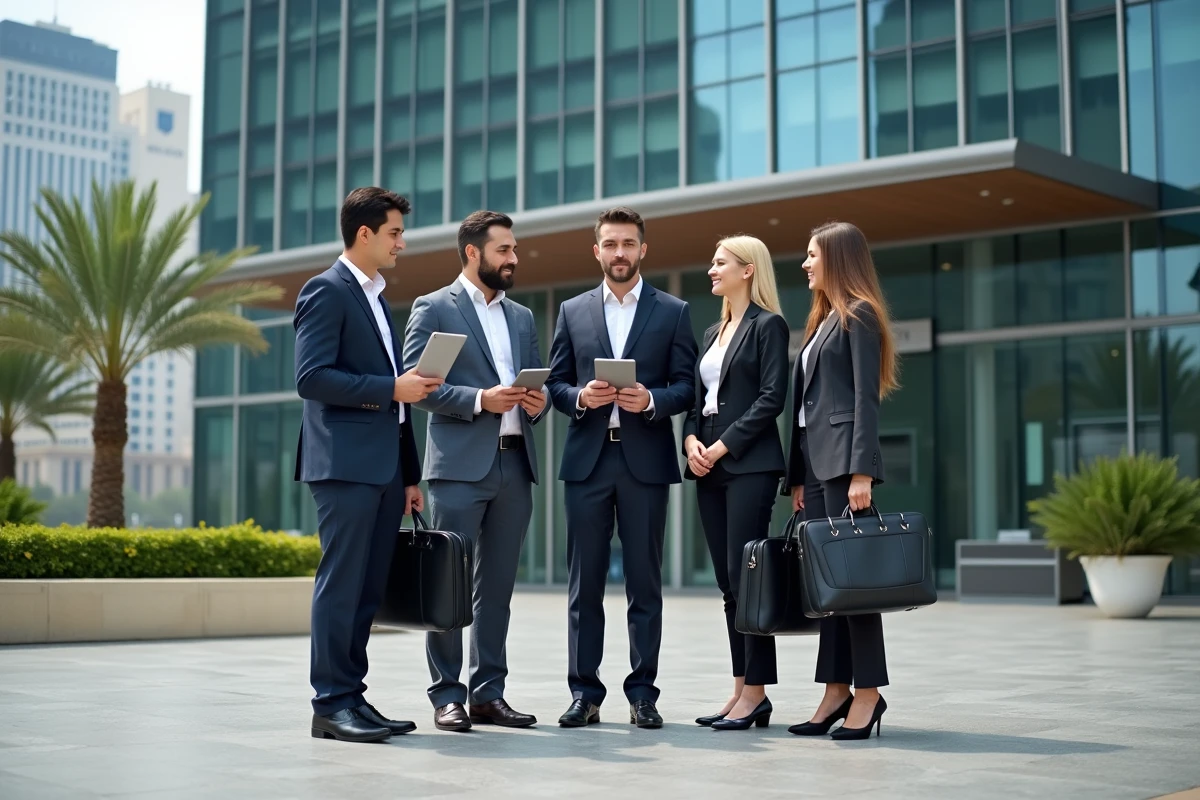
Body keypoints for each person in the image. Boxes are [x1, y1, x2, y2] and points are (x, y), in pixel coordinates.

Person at [294, 187, 444, 743]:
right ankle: (330, 704)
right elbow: (311, 378)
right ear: (365, 234)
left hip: (382, 470)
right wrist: (391, 386)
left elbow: (397, 403)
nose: (401, 242)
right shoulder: (326, 291)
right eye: (395, 233)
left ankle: (352, 698)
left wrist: (409, 475)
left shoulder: (377, 298)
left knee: (365, 590)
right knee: (342, 585)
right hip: (343, 465)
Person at [546, 206, 698, 729]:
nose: (619, 253)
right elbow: (555, 384)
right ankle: (584, 693)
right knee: (583, 586)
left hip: (645, 464)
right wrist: (580, 397)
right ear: (597, 250)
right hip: (588, 463)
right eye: (610, 244)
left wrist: (652, 400)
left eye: (628, 244)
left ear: (642, 250)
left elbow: (687, 386)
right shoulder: (571, 310)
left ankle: (642, 694)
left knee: (644, 584)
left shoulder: (673, 311)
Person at [402, 210, 547, 732]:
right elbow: (417, 387)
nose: (514, 259)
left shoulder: (524, 317)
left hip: (515, 464)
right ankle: (447, 694)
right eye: (504, 250)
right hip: (459, 469)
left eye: (514, 250)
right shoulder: (435, 307)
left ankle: (489, 692)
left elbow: (537, 389)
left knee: (498, 589)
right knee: (450, 585)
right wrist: (481, 399)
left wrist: (536, 401)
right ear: (472, 252)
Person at [783, 221, 899, 741]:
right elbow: (807, 410)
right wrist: (799, 478)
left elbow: (862, 402)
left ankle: (869, 693)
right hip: (816, 469)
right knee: (826, 589)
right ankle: (835, 689)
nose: (805, 264)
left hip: (845, 470)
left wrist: (862, 472)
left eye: (812, 255)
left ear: (837, 258)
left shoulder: (860, 315)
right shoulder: (822, 320)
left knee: (853, 588)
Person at [683, 235, 790, 731]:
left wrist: (722, 446)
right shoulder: (711, 332)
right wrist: (689, 442)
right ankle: (741, 688)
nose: (711, 269)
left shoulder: (769, 326)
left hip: (748, 463)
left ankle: (757, 693)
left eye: (719, 262)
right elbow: (695, 400)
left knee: (748, 579)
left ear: (748, 270)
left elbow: (771, 399)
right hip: (707, 463)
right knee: (728, 583)